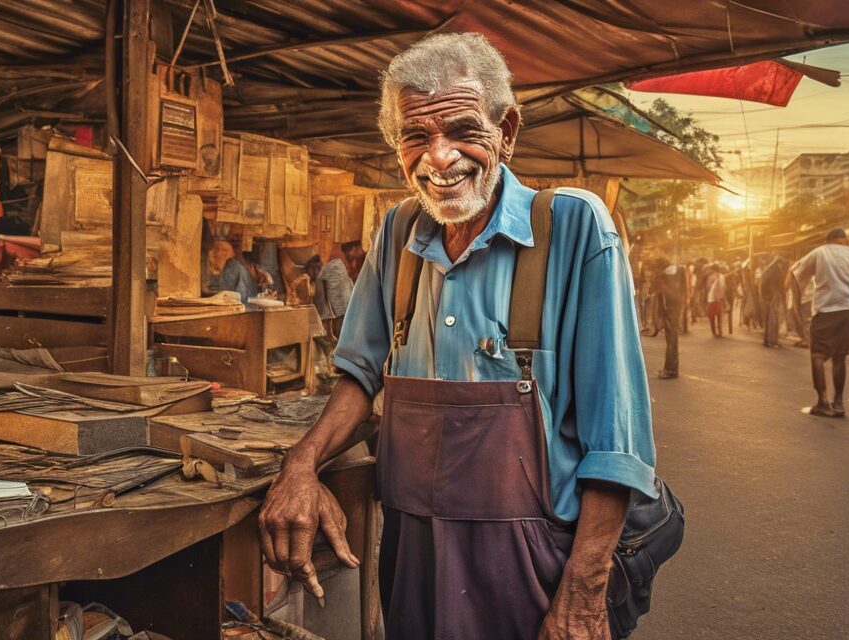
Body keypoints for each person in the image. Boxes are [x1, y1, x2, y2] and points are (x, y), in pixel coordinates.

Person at [257, 33, 656, 639]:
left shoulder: (572, 227)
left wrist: (584, 589)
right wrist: (301, 464)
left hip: (534, 558)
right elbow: (362, 377)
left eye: (463, 130)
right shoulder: (397, 231)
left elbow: (616, 441)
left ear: (507, 130)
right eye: (415, 137)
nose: (438, 157)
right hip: (412, 548)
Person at [789, 228, 849, 417]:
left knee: (818, 355)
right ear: (844, 240)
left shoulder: (821, 252)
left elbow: (795, 275)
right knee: (840, 357)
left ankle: (822, 402)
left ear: (828, 240)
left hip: (825, 310)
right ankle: (838, 403)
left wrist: (796, 304)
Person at [654, 256, 686, 379]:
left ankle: (670, 370)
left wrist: (661, 314)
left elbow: (662, 295)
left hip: (670, 309)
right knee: (672, 340)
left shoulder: (664, 276)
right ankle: (671, 368)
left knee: (671, 340)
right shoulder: (676, 272)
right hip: (676, 308)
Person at [203, 238, 258, 303]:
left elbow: (241, 296)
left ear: (232, 254)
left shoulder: (234, 267)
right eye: (217, 249)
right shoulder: (206, 268)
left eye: (225, 250)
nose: (219, 253)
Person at [759, 254, 787, 348]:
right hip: (774, 295)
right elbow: (780, 285)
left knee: (767, 319)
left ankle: (766, 340)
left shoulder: (768, 269)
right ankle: (773, 341)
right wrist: (782, 297)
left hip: (766, 296)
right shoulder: (777, 270)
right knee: (774, 319)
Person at [705, 263, 727, 337]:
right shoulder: (722, 276)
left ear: (712, 269)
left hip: (712, 299)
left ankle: (714, 333)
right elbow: (724, 287)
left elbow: (708, 288)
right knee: (719, 316)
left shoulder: (711, 277)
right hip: (720, 299)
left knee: (711, 317)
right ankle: (720, 332)